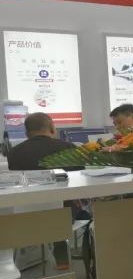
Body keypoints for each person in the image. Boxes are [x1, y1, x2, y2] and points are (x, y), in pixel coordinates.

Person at [7, 113, 79, 270]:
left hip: (26, 214)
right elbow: (78, 181)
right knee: (74, 209)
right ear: (52, 127)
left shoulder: (14, 153)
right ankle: (63, 260)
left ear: (27, 132)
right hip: (63, 216)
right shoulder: (67, 148)